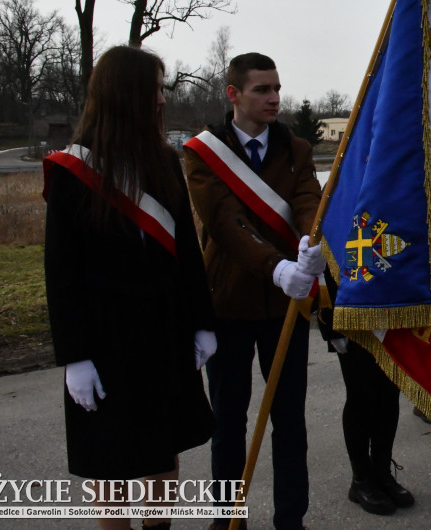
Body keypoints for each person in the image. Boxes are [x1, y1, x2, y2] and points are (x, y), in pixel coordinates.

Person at [43, 45, 216, 530]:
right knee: (111, 463)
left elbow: (186, 250)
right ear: (126, 94)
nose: (161, 101)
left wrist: (202, 324)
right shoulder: (70, 170)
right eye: (154, 90)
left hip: (164, 331)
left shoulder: (163, 160)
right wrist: (73, 356)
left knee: (163, 453)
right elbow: (62, 270)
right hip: (104, 340)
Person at [184, 52, 324, 530]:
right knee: (228, 421)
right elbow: (224, 222)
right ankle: (228, 519)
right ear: (233, 95)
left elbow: (308, 199)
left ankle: (291, 519)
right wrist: (276, 266)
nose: (274, 98)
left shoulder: (296, 149)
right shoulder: (203, 153)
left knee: (289, 420)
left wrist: (310, 240)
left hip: (286, 307)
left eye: (277, 88)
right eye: (262, 89)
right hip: (229, 303)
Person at [317, 281, 414, 517]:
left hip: (391, 306)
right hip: (351, 308)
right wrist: (332, 327)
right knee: (361, 395)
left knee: (389, 393)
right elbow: (325, 265)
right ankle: (360, 479)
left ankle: (381, 472)